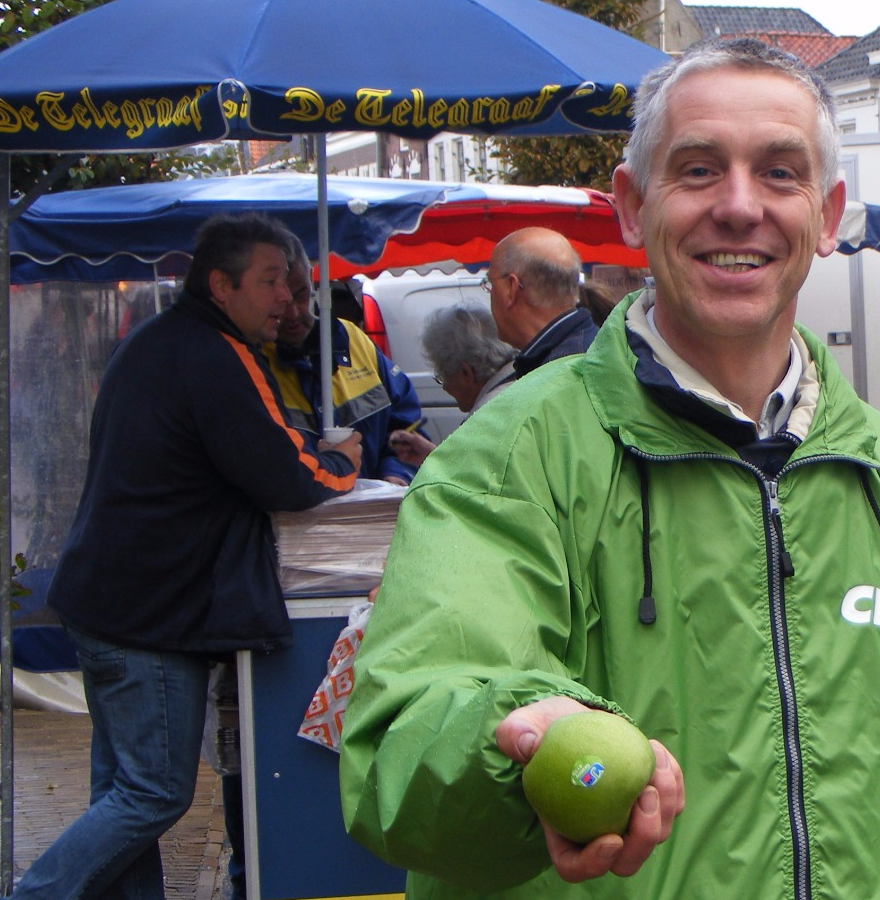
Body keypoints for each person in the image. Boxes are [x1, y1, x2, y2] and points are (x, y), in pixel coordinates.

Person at [339, 38, 880, 900]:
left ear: (825, 214)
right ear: (632, 206)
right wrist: (511, 744)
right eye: (698, 169)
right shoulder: (509, 462)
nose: (740, 207)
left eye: (780, 173)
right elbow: (403, 755)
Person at [11, 214, 359, 900]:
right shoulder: (214, 354)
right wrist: (341, 460)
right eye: (269, 283)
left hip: (111, 600)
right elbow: (286, 476)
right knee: (152, 794)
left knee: (122, 788)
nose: (285, 298)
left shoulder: (163, 342)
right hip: (150, 613)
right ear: (220, 285)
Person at [264, 239, 427, 485]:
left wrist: (396, 473)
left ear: (312, 278)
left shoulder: (354, 340)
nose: (293, 314)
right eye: (279, 302)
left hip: (371, 512)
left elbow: (406, 427)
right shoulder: (252, 361)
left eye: (300, 296)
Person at [387, 304, 517, 467]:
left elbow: (468, 485)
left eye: (442, 376)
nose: (444, 388)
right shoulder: (528, 381)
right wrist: (433, 457)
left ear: (466, 372)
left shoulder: (485, 419)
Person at [485, 225, 599, 381]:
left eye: (490, 283)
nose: (490, 293)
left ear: (511, 288)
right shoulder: (591, 347)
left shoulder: (561, 373)